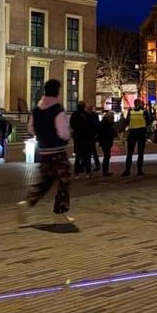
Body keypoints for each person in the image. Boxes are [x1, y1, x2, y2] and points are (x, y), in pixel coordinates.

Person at [18, 79, 73, 225]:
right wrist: (67, 135)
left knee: (45, 181)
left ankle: (27, 203)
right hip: (58, 152)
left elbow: (31, 129)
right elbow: (63, 132)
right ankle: (59, 213)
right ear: (57, 91)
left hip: (44, 152)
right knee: (64, 181)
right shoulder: (57, 109)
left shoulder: (37, 111)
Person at [122, 100, 152, 177]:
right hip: (141, 133)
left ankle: (127, 170)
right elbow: (149, 121)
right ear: (141, 104)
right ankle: (139, 170)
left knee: (129, 153)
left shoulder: (131, 112)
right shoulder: (144, 112)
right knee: (140, 152)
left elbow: (127, 122)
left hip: (132, 133)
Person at [71, 101, 96, 178]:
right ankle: (88, 173)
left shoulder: (75, 114)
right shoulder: (87, 115)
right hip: (86, 138)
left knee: (78, 156)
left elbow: (72, 124)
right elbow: (91, 126)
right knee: (87, 156)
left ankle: (76, 173)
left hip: (78, 138)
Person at [96, 110, 117, 176]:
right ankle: (105, 171)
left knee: (107, 156)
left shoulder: (106, 123)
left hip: (106, 141)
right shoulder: (105, 123)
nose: (113, 119)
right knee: (107, 155)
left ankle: (106, 170)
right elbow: (105, 133)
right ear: (109, 117)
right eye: (112, 117)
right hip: (105, 141)